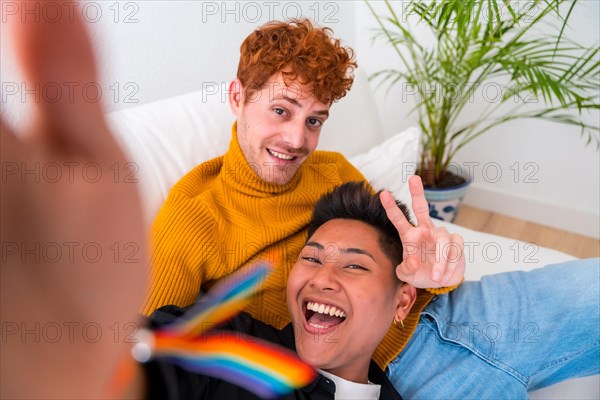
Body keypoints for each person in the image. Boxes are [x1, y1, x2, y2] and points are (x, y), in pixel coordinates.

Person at [144, 18, 599, 399]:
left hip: (456, 316)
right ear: (236, 97)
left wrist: (437, 272)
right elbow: (151, 355)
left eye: (314, 120)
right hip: (387, 382)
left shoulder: (333, 171)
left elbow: (403, 262)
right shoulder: (194, 217)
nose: (298, 139)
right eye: (281, 111)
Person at [143, 181, 415, 399]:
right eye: (311, 259)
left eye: (354, 266)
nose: (321, 279)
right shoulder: (233, 344)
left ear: (402, 302)